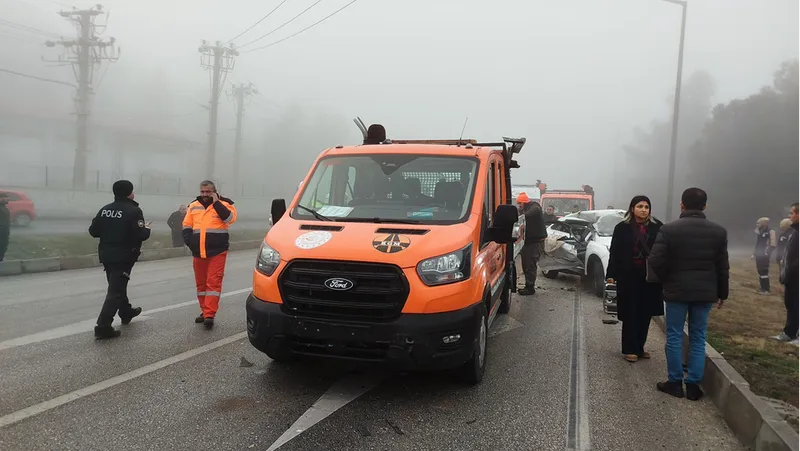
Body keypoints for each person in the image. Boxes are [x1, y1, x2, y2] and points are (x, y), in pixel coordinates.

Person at [648, 187, 729, 401]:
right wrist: (723, 292)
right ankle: (693, 385)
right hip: (705, 292)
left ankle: (674, 383)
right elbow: (722, 266)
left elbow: (655, 260)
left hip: (677, 291)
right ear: (705, 206)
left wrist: (668, 277)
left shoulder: (669, 229)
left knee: (674, 335)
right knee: (698, 336)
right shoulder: (719, 231)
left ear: (682, 205)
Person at [88, 180, 151, 339]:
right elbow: (140, 235)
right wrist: (147, 229)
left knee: (116, 285)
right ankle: (103, 326)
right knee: (115, 290)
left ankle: (125, 311)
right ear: (130, 193)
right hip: (124, 256)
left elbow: (93, 231)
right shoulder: (134, 210)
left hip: (106, 255)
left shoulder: (105, 209)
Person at [606, 195, 664, 363]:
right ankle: (630, 348)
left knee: (645, 313)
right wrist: (611, 274)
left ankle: (640, 346)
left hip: (649, 277)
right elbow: (614, 252)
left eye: (646, 207)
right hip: (628, 275)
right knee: (630, 312)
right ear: (632, 209)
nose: (643, 210)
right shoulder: (622, 228)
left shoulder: (658, 228)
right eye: (640, 206)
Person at [183, 180, 237, 328]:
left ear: (214, 191)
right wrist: (189, 242)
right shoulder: (193, 206)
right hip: (198, 251)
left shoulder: (226, 204)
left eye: (208, 192)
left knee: (213, 283)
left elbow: (230, 219)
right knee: (201, 284)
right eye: (203, 192)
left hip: (217, 251)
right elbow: (186, 226)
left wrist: (216, 203)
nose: (205, 194)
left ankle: (209, 315)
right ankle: (204, 310)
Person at [775, 203, 800, 345]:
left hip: (797, 277)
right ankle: (790, 333)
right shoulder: (795, 231)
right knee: (791, 304)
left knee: (796, 305)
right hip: (791, 276)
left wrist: (792, 271)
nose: (789, 216)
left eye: (791, 213)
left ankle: (790, 334)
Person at [519, 197, 547, 296]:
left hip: (536, 242)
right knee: (526, 264)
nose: (519, 205)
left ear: (525, 202)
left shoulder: (535, 207)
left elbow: (530, 214)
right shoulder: (524, 209)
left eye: (520, 203)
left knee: (530, 264)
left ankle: (530, 287)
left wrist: (522, 216)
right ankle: (528, 285)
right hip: (528, 242)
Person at [752, 217, 776, 294]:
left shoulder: (770, 231)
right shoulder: (760, 232)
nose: (757, 224)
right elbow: (757, 244)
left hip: (764, 256)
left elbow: (772, 244)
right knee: (760, 271)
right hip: (759, 255)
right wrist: (754, 254)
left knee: (764, 271)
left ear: (763, 223)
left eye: (758, 223)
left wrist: (767, 253)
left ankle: (766, 289)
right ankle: (762, 288)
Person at [0, 192, 9, 262]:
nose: (8, 199)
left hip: (4, 231)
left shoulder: (4, 208)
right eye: (5, 197)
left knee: (3, 246)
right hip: (1, 230)